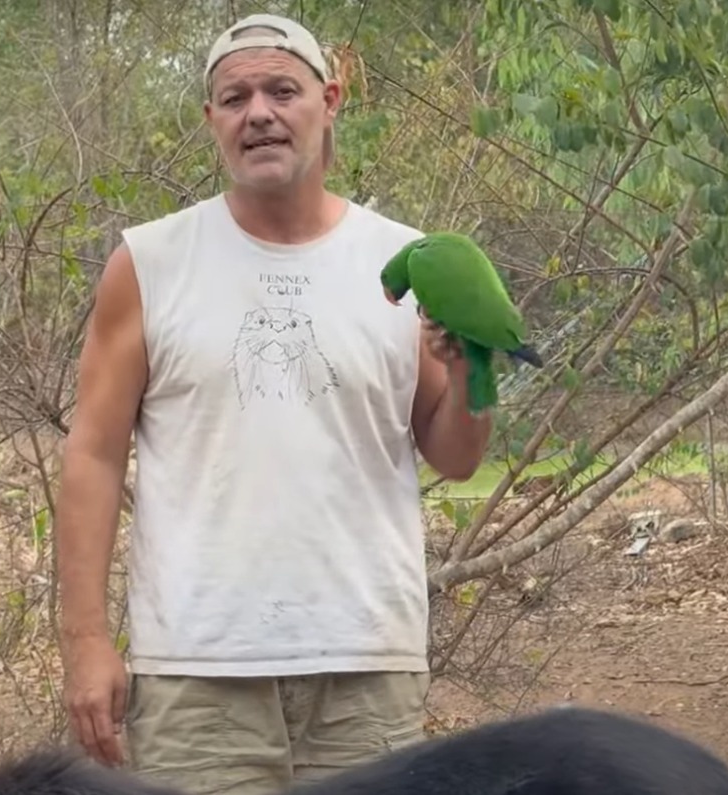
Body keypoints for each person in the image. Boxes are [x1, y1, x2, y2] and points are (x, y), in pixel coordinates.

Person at [53, 12, 493, 795]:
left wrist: (469, 373)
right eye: (235, 97)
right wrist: (86, 639)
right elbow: (92, 452)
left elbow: (454, 453)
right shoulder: (150, 263)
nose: (259, 112)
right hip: (198, 674)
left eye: (282, 90)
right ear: (211, 120)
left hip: (367, 666)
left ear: (328, 102)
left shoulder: (404, 260)